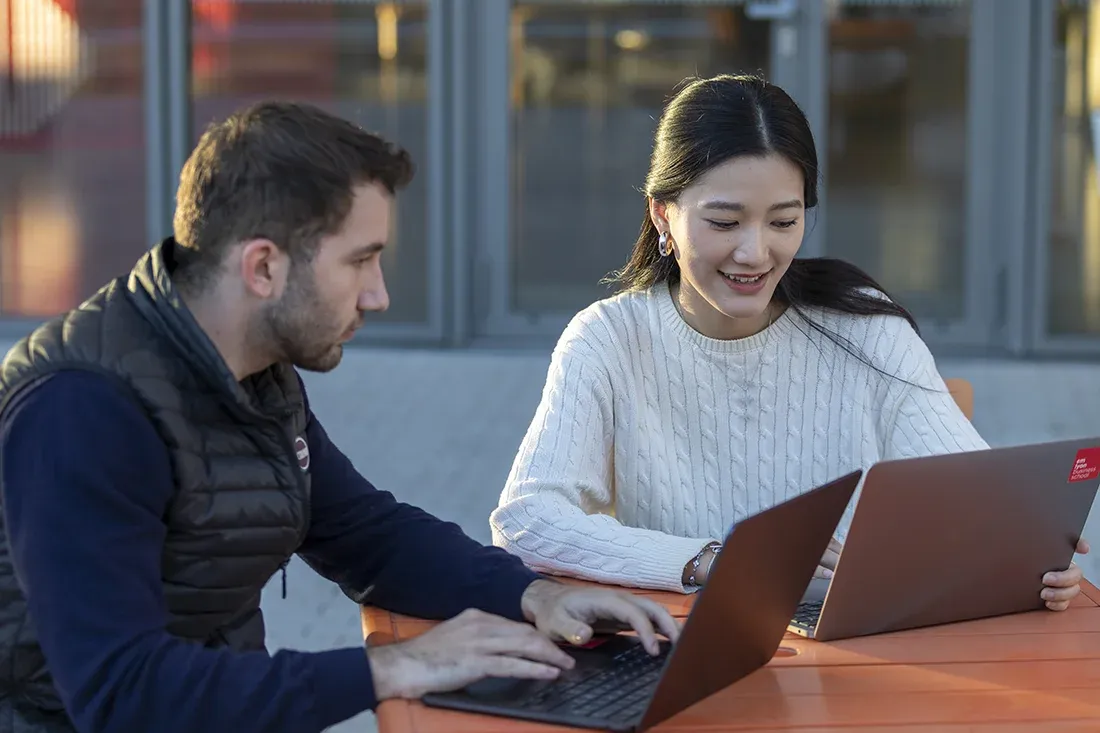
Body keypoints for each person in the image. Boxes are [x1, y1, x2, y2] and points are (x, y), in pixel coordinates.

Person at [0, 101, 680, 733]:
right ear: (263, 266)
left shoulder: (253, 366)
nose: (379, 294)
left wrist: (535, 595)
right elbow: (122, 693)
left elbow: (364, 535)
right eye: (361, 261)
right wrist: (393, 666)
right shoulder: (80, 410)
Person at [490, 73, 1089, 605]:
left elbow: (973, 494)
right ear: (662, 216)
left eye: (784, 221)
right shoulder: (609, 340)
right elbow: (526, 520)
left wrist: (1025, 546)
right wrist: (713, 562)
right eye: (724, 222)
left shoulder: (865, 330)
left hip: (855, 649)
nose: (756, 253)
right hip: (694, 643)